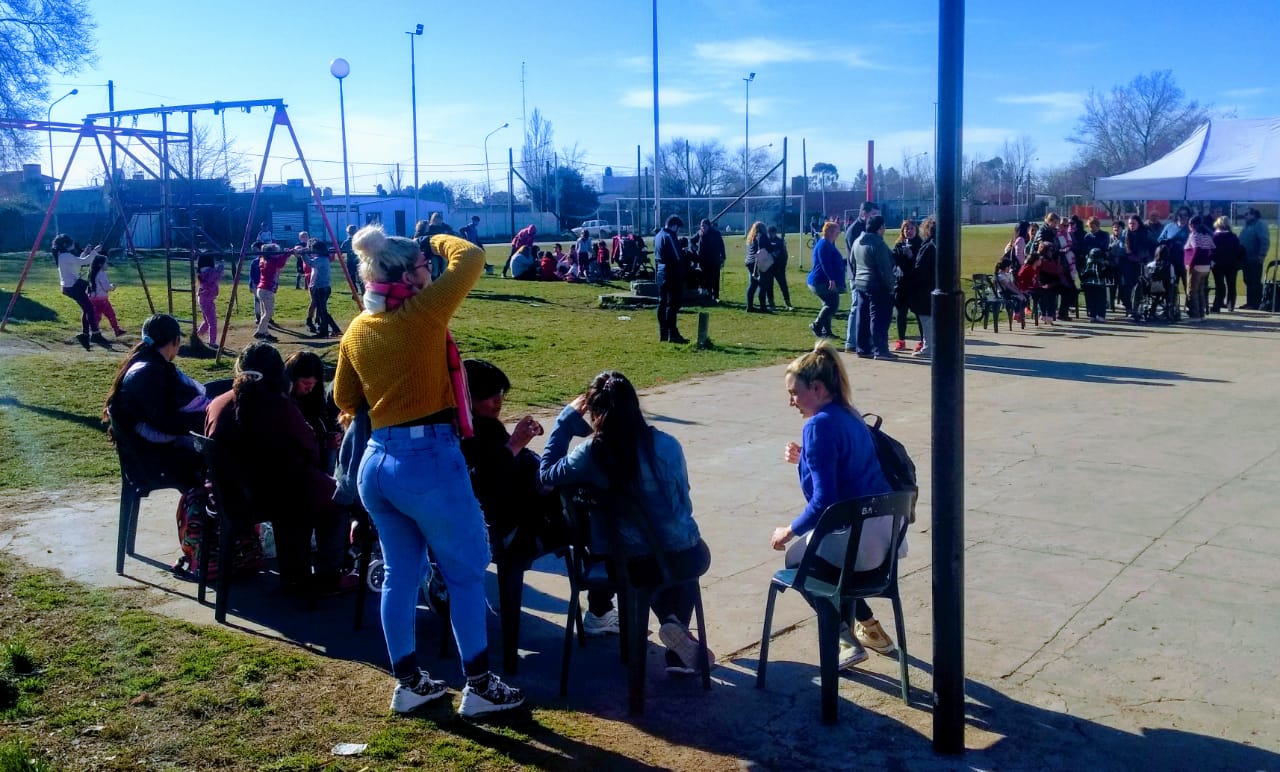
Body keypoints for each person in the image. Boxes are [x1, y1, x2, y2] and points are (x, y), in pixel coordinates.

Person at [333, 223, 524, 717]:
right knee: (463, 574)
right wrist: (437, 237)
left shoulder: (358, 328)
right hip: (429, 459)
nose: (431, 270)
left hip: (376, 463)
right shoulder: (423, 316)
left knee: (400, 574)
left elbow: (344, 399)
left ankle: (409, 682)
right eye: (424, 267)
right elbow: (473, 258)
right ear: (408, 275)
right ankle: (479, 685)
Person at [538, 370, 714, 674]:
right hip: (681, 553)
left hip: (624, 561)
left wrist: (565, 422)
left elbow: (547, 474)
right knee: (684, 557)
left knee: (645, 571)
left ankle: (669, 628)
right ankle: (674, 632)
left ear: (594, 413)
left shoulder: (591, 454)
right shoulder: (668, 444)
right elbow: (684, 500)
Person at [769, 343, 900, 670]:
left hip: (859, 541)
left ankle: (842, 637)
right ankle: (869, 626)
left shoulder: (817, 425)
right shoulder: (850, 414)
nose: (791, 402)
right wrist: (804, 461)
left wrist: (788, 530)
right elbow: (848, 474)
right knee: (828, 564)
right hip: (886, 537)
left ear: (817, 388)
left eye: (794, 393)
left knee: (797, 559)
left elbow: (824, 501)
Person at [206, 343, 350, 594]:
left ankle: (296, 574)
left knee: (301, 491)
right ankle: (328, 576)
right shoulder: (277, 406)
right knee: (338, 498)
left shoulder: (217, 404)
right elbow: (310, 449)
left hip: (228, 496)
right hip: (269, 496)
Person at [459, 359, 574, 574]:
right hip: (504, 530)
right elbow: (480, 483)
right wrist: (515, 445)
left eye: (500, 392)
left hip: (522, 515)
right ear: (468, 397)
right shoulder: (463, 435)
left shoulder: (488, 427)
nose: (497, 401)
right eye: (488, 394)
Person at [102, 313, 209, 491]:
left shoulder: (142, 363)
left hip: (143, 453)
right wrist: (206, 419)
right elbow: (167, 422)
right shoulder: (152, 372)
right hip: (153, 461)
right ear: (176, 341)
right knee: (223, 456)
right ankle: (203, 510)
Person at [847, 215, 896, 359]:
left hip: (860, 283)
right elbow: (885, 269)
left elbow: (852, 261)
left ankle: (862, 347)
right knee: (879, 318)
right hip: (877, 285)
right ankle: (880, 349)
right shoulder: (878, 244)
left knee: (863, 316)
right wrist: (891, 286)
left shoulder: (857, 241)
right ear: (880, 228)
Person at [284, 350, 341, 473]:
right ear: (292, 379)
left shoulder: (315, 398)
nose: (310, 388)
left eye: (314, 384)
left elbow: (323, 420)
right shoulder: (283, 404)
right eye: (305, 383)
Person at [52, 234, 104, 346]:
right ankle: (95, 334)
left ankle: (86, 334)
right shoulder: (66, 256)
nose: (73, 244)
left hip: (69, 287)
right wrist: (95, 252)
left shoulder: (63, 255)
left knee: (86, 309)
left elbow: (77, 262)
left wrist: (86, 253)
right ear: (66, 245)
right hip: (73, 288)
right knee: (90, 309)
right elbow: (84, 262)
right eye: (71, 243)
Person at [904, 217, 936, 356]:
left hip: (925, 287)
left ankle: (928, 346)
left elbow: (920, 268)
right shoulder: (941, 244)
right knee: (933, 319)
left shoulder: (928, 246)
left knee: (926, 318)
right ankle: (934, 345)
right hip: (935, 285)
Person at [807, 221, 844, 339]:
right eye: (836, 232)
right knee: (832, 304)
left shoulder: (828, 244)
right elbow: (825, 263)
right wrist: (831, 279)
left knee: (827, 305)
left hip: (821, 280)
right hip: (820, 281)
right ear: (829, 232)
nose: (838, 234)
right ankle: (817, 325)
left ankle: (826, 331)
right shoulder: (824, 244)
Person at [654, 215, 688, 343]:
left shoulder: (657, 236)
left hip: (661, 272)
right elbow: (678, 256)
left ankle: (663, 332)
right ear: (674, 226)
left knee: (662, 303)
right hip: (672, 272)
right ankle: (672, 333)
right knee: (672, 304)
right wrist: (684, 252)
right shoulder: (670, 236)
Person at [890, 219, 922, 352]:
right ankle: (901, 340)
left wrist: (911, 256)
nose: (908, 231)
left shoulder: (921, 245)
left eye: (911, 229)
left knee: (919, 313)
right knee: (901, 314)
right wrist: (904, 257)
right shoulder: (898, 245)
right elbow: (896, 262)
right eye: (906, 229)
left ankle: (923, 340)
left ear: (916, 230)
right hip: (901, 285)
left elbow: (920, 265)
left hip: (915, 286)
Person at [304, 240, 342, 338]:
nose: (312, 252)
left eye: (313, 250)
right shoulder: (322, 258)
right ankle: (335, 329)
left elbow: (310, 263)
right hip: (321, 287)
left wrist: (303, 254)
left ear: (318, 250)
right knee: (322, 311)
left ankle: (324, 332)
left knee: (322, 311)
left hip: (320, 288)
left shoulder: (321, 259)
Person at [253, 244, 289, 341]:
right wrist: (288, 253)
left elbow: (278, 260)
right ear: (271, 254)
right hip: (266, 290)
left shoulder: (262, 259)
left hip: (261, 289)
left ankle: (265, 332)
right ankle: (260, 332)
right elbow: (280, 262)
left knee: (264, 312)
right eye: (275, 252)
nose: (277, 254)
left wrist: (285, 253)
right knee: (268, 313)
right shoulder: (271, 262)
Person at [1121, 215, 1153, 321]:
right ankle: (1129, 309)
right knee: (1128, 285)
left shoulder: (1145, 233)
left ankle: (1138, 308)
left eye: (1134, 223)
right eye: (1130, 224)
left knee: (1140, 286)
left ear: (1139, 224)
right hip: (1128, 263)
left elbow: (1151, 247)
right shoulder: (1125, 233)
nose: (1131, 226)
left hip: (1141, 263)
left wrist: (1141, 256)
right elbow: (1121, 246)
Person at [87, 252, 127, 337]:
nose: (107, 265)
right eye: (106, 263)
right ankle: (95, 333)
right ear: (100, 264)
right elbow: (106, 287)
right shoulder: (101, 274)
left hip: (94, 298)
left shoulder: (92, 272)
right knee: (101, 316)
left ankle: (116, 330)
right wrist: (112, 286)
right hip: (101, 299)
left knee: (108, 314)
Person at [1183, 215, 1214, 321]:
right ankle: (1202, 313)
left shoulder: (1194, 236)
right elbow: (1212, 249)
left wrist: (1191, 264)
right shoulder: (1207, 235)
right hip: (1206, 266)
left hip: (1195, 266)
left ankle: (1195, 314)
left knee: (1192, 291)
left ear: (1191, 225)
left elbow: (1196, 250)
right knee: (1200, 290)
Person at [1238, 208, 1271, 309]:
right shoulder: (1247, 226)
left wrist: (1262, 255)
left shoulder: (1260, 225)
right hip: (1245, 258)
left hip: (1255, 258)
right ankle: (1250, 302)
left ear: (1253, 215)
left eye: (1246, 214)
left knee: (1254, 281)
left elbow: (1264, 240)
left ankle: (1255, 303)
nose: (1244, 216)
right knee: (1247, 280)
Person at [1209, 216, 1242, 313]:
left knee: (1219, 285)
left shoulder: (1215, 237)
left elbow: (1212, 251)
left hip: (1218, 264)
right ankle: (1231, 305)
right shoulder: (1233, 236)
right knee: (1231, 285)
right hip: (1231, 263)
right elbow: (1238, 250)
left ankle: (1217, 305)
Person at [194, 253, 224, 345]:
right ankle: (212, 343)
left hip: (203, 298)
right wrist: (222, 263)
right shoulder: (210, 271)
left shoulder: (202, 271)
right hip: (207, 300)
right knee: (212, 323)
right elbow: (218, 273)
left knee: (207, 322)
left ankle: (197, 336)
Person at [744, 221, 773, 314]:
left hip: (749, 262)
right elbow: (761, 251)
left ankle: (749, 306)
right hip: (758, 262)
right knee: (762, 284)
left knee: (752, 285)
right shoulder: (762, 236)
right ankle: (763, 306)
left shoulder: (751, 237)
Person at [695, 219, 726, 301]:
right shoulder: (699, 233)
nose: (702, 227)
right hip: (703, 260)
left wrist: (723, 257)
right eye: (701, 226)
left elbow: (721, 245)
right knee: (706, 278)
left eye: (704, 226)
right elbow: (691, 240)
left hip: (714, 259)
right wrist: (696, 249)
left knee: (715, 278)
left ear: (709, 226)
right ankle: (708, 294)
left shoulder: (716, 233)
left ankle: (716, 296)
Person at [766, 225, 792, 311]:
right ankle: (771, 303)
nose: (770, 235)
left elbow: (785, 255)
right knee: (769, 286)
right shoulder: (766, 241)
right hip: (769, 268)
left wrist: (782, 266)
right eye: (769, 233)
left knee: (783, 285)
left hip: (779, 268)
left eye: (772, 233)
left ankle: (787, 303)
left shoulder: (780, 242)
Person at [339, 224, 363, 297]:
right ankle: (356, 291)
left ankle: (360, 291)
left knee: (358, 277)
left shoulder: (359, 241)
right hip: (353, 262)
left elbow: (341, 251)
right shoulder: (347, 242)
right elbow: (341, 250)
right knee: (353, 277)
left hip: (357, 261)